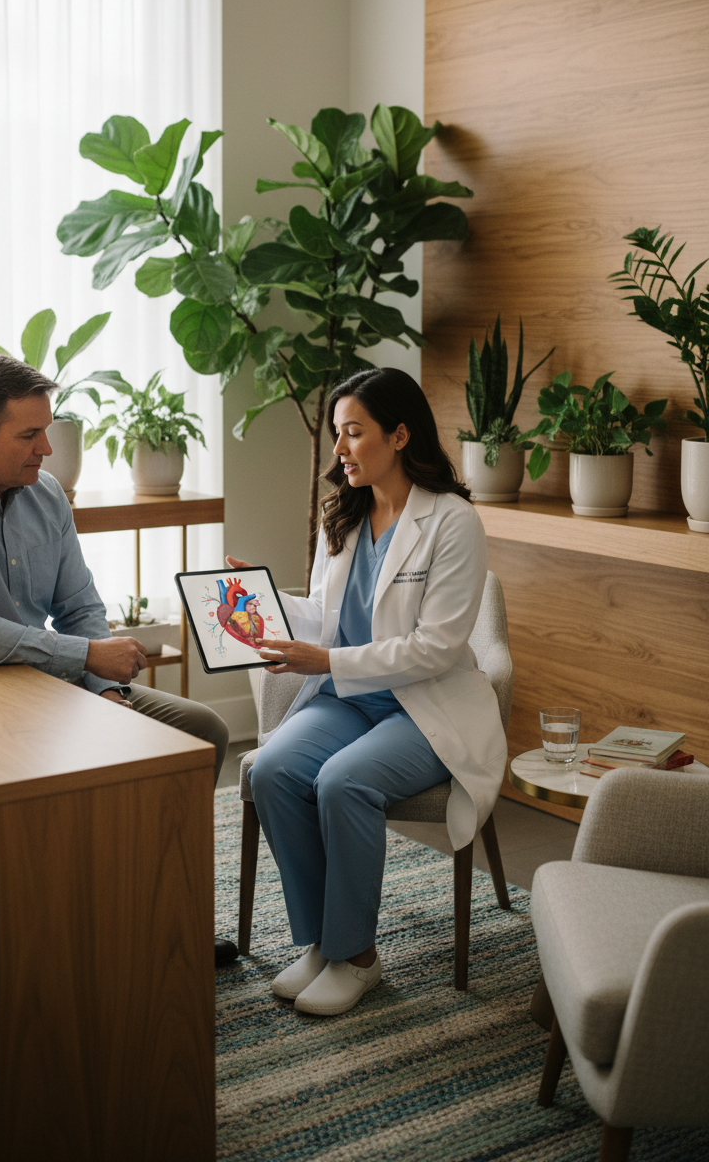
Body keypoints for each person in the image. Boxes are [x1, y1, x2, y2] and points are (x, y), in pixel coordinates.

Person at [228, 367, 507, 1015]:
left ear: (401, 434)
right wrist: (266, 602)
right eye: (336, 435)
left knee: (343, 782)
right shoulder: (347, 515)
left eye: (354, 433)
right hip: (346, 699)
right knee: (270, 770)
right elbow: (330, 617)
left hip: (424, 705)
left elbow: (437, 646)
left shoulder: (453, 522)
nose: (340, 450)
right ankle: (324, 942)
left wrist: (324, 657)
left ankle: (359, 958)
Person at [0, 354, 237, 965]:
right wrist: (86, 657)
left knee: (202, 733)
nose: (46, 449)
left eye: (47, 431)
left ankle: (159, 909)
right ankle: (67, 926)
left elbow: (79, 604)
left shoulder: (46, 494)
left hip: (55, 685)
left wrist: (105, 688)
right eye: (29, 435)